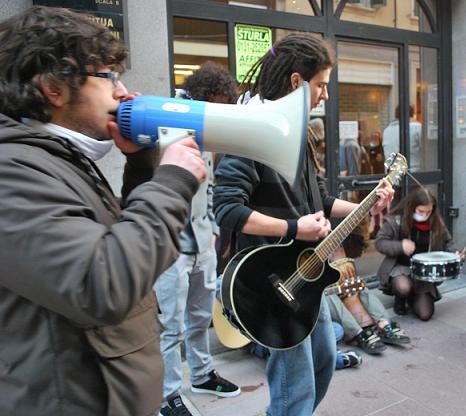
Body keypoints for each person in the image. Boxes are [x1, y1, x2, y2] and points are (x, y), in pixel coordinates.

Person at [0, 6, 208, 416]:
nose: (121, 90)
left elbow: (118, 241)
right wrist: (171, 182)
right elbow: (104, 283)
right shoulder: (11, 171)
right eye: (107, 76)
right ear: (53, 88)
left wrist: (143, 166)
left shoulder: (51, 157)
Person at [213, 33, 394, 416]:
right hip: (270, 282)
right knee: (294, 390)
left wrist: (367, 203)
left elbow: (319, 203)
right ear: (296, 82)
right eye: (321, 85)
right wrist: (296, 230)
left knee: (324, 361)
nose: (325, 95)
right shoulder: (251, 130)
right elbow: (227, 209)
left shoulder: (297, 135)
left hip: (304, 275)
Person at [154, 62, 240, 416]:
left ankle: (202, 374)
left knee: (199, 317)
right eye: (221, 103)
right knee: (169, 325)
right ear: (208, 95)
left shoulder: (205, 125)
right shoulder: (165, 118)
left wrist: (215, 231)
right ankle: (167, 394)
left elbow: (210, 180)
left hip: (202, 240)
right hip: (171, 245)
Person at [375, 186, 462, 321]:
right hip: (401, 267)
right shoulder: (397, 219)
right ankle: (400, 297)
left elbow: (447, 241)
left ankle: (413, 296)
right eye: (421, 211)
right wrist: (400, 246)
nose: (424, 215)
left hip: (424, 271)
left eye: (428, 211)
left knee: (425, 314)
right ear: (412, 207)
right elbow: (380, 243)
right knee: (403, 288)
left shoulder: (435, 220)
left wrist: (455, 254)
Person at [382, 104, 421, 171]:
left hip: (392, 174)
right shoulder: (417, 127)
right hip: (413, 172)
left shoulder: (387, 130)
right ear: (412, 113)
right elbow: (428, 151)